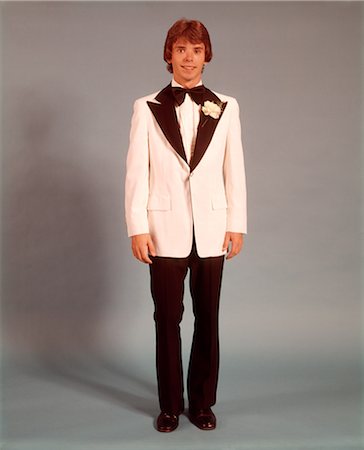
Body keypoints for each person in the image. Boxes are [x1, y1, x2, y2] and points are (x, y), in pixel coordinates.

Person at [125, 18, 247, 432]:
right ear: (169, 56)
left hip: (213, 229)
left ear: (206, 56)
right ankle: (170, 405)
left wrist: (237, 223)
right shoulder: (146, 107)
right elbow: (136, 173)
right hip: (163, 230)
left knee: (208, 318)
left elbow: (236, 170)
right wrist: (137, 227)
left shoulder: (227, 107)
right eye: (181, 50)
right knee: (167, 319)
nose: (188, 58)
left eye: (196, 50)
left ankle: (202, 404)